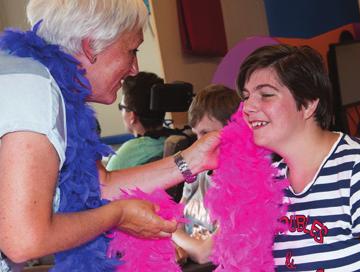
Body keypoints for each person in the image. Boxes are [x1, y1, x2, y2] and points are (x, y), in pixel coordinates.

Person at [0, 1, 218, 271]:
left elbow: (101, 185)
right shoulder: (34, 90)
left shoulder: (42, 84)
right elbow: (24, 241)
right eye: (132, 50)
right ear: (91, 46)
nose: (135, 68)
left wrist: (194, 159)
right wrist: (118, 214)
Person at [237, 44, 360, 271]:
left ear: (309, 103)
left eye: (266, 95)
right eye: (246, 97)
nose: (247, 107)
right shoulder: (266, 183)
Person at [172, 84, 240, 265]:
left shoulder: (244, 185)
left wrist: (176, 237)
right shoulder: (196, 171)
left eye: (206, 133)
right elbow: (174, 219)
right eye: (196, 135)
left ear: (234, 130)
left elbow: (205, 254)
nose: (199, 144)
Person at [106, 72, 167, 171]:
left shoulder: (125, 155)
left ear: (132, 116)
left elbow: (103, 185)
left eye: (121, 107)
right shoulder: (175, 139)